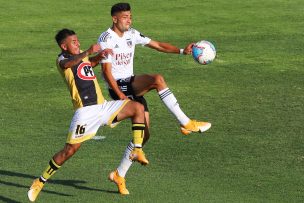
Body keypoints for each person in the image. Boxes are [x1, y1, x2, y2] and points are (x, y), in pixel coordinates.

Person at [97, 3, 212, 195]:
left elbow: (157, 45)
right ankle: (186, 122)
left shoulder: (132, 34)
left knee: (144, 136)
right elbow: (106, 72)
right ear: (115, 19)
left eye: (130, 16)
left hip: (131, 86)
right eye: (125, 17)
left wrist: (183, 51)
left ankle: (119, 174)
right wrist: (119, 95)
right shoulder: (106, 39)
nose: (129, 20)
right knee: (157, 80)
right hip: (120, 87)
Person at [27, 28, 149, 202]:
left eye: (78, 41)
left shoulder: (79, 57)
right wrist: (88, 52)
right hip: (85, 113)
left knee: (137, 108)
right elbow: (69, 65)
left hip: (102, 106)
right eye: (74, 42)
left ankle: (136, 149)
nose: (78, 43)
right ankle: (40, 181)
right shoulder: (62, 59)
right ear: (64, 46)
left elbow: (86, 65)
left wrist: (98, 58)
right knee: (70, 150)